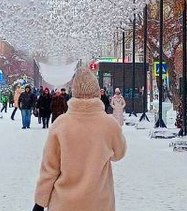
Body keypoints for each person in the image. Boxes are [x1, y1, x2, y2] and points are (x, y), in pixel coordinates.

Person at [33, 67, 127, 211]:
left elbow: (50, 168)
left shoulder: (61, 124)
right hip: (99, 202)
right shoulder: (109, 124)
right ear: (96, 92)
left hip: (64, 203)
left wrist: (40, 202)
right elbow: (119, 154)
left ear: (74, 93)